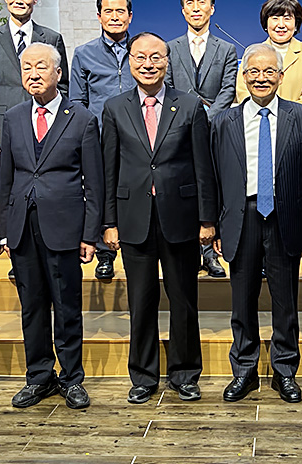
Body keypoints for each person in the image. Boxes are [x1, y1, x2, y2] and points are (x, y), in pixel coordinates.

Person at [100, 32, 217, 404]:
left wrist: (207, 218)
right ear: (129, 61)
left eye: (156, 57)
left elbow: (204, 167)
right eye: (140, 57)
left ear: (168, 61)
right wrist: (108, 221)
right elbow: (109, 169)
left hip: (180, 218)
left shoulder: (189, 106)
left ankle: (184, 373)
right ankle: (143, 375)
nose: (148, 64)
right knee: (142, 300)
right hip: (134, 217)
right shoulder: (115, 108)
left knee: (183, 299)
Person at [0, 43, 104, 411]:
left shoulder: (82, 118)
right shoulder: (11, 118)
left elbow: (96, 182)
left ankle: (72, 378)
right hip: (23, 226)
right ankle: (39, 377)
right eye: (26, 67)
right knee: (32, 306)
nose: (33, 73)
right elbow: (5, 180)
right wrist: (4, 228)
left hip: (65, 226)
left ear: (59, 73)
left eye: (41, 66)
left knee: (67, 305)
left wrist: (90, 234)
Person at [211, 44, 302, 403]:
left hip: (284, 218)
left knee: (285, 302)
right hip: (241, 219)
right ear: (244, 77)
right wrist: (212, 224)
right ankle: (244, 370)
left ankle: (285, 371)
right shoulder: (225, 121)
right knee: (242, 303)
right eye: (254, 71)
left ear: (281, 76)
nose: (261, 77)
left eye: (269, 71)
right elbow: (213, 175)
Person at [167, 0, 239, 279]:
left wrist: (206, 115)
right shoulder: (170, 48)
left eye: (201, 2)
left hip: (213, 129)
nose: (196, 8)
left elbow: (228, 89)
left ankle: (210, 253)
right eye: (189, 3)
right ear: (183, 9)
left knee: (211, 189)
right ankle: (188, 251)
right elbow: (168, 86)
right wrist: (188, 114)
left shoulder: (227, 49)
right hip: (178, 131)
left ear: (212, 8)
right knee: (183, 189)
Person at [70, 0, 138, 281]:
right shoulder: (84, 54)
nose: (114, 16)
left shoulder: (142, 50)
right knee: (100, 192)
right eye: (108, 11)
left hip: (140, 138)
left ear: (130, 16)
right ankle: (104, 254)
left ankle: (137, 247)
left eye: (120, 11)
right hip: (100, 137)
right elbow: (77, 102)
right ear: (99, 16)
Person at [0, 0, 68, 138]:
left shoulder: (52, 38)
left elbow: (62, 86)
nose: (18, 0)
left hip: (46, 121)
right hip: (4, 123)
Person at [235, 0, 302, 111]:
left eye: (287, 18)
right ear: (266, 23)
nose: (281, 25)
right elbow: (243, 90)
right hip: (259, 120)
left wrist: (289, 118)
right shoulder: (252, 51)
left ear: (296, 24)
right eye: (275, 18)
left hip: (297, 123)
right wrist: (263, 114)